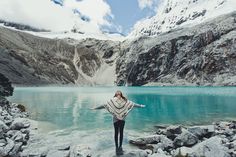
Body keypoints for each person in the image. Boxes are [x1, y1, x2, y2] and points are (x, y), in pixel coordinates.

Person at [90, 90, 145, 155]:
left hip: (122, 119)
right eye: (117, 93)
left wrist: (140, 106)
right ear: (115, 94)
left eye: (119, 93)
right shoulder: (112, 101)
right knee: (116, 132)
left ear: (121, 94)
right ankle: (116, 146)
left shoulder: (125, 101)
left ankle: (120, 146)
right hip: (115, 119)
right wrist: (95, 108)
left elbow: (133, 104)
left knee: (121, 132)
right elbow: (104, 105)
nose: (118, 94)